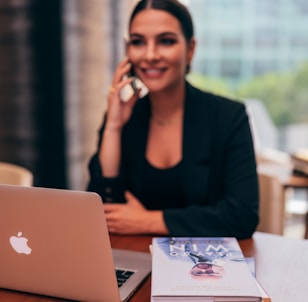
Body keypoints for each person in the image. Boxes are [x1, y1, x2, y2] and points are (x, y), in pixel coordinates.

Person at [87, 0, 259, 239]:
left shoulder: (228, 117)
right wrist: (114, 128)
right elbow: (104, 211)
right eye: (138, 42)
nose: (150, 55)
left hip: (207, 265)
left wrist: (149, 221)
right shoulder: (124, 116)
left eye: (166, 41)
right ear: (127, 51)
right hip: (136, 259)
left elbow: (242, 216)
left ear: (190, 49)